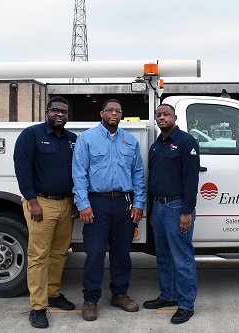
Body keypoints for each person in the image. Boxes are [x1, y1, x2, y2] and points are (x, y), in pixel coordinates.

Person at [72, 98, 145, 321]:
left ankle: (119, 294)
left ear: (121, 115)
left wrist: (139, 203)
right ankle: (90, 299)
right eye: (110, 110)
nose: (114, 114)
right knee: (94, 253)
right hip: (97, 203)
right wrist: (83, 204)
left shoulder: (130, 141)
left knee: (122, 253)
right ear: (101, 113)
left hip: (123, 203)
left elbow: (138, 174)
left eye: (118, 111)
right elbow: (79, 173)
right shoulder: (86, 139)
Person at [14, 96, 77, 329]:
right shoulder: (31, 135)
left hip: (67, 203)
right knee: (39, 256)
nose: (60, 114)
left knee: (60, 253)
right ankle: (38, 307)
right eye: (56, 110)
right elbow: (22, 170)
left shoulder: (72, 140)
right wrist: (32, 201)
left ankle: (53, 294)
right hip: (41, 203)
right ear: (47, 112)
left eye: (64, 112)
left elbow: (78, 171)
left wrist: (77, 202)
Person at [143, 104, 200, 324]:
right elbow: (151, 180)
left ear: (175, 117)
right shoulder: (156, 146)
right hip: (158, 207)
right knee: (163, 257)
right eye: (158, 115)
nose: (162, 118)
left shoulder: (186, 142)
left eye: (166, 114)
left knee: (182, 258)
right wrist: (151, 209)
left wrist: (187, 211)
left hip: (177, 208)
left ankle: (186, 304)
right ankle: (168, 295)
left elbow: (191, 180)